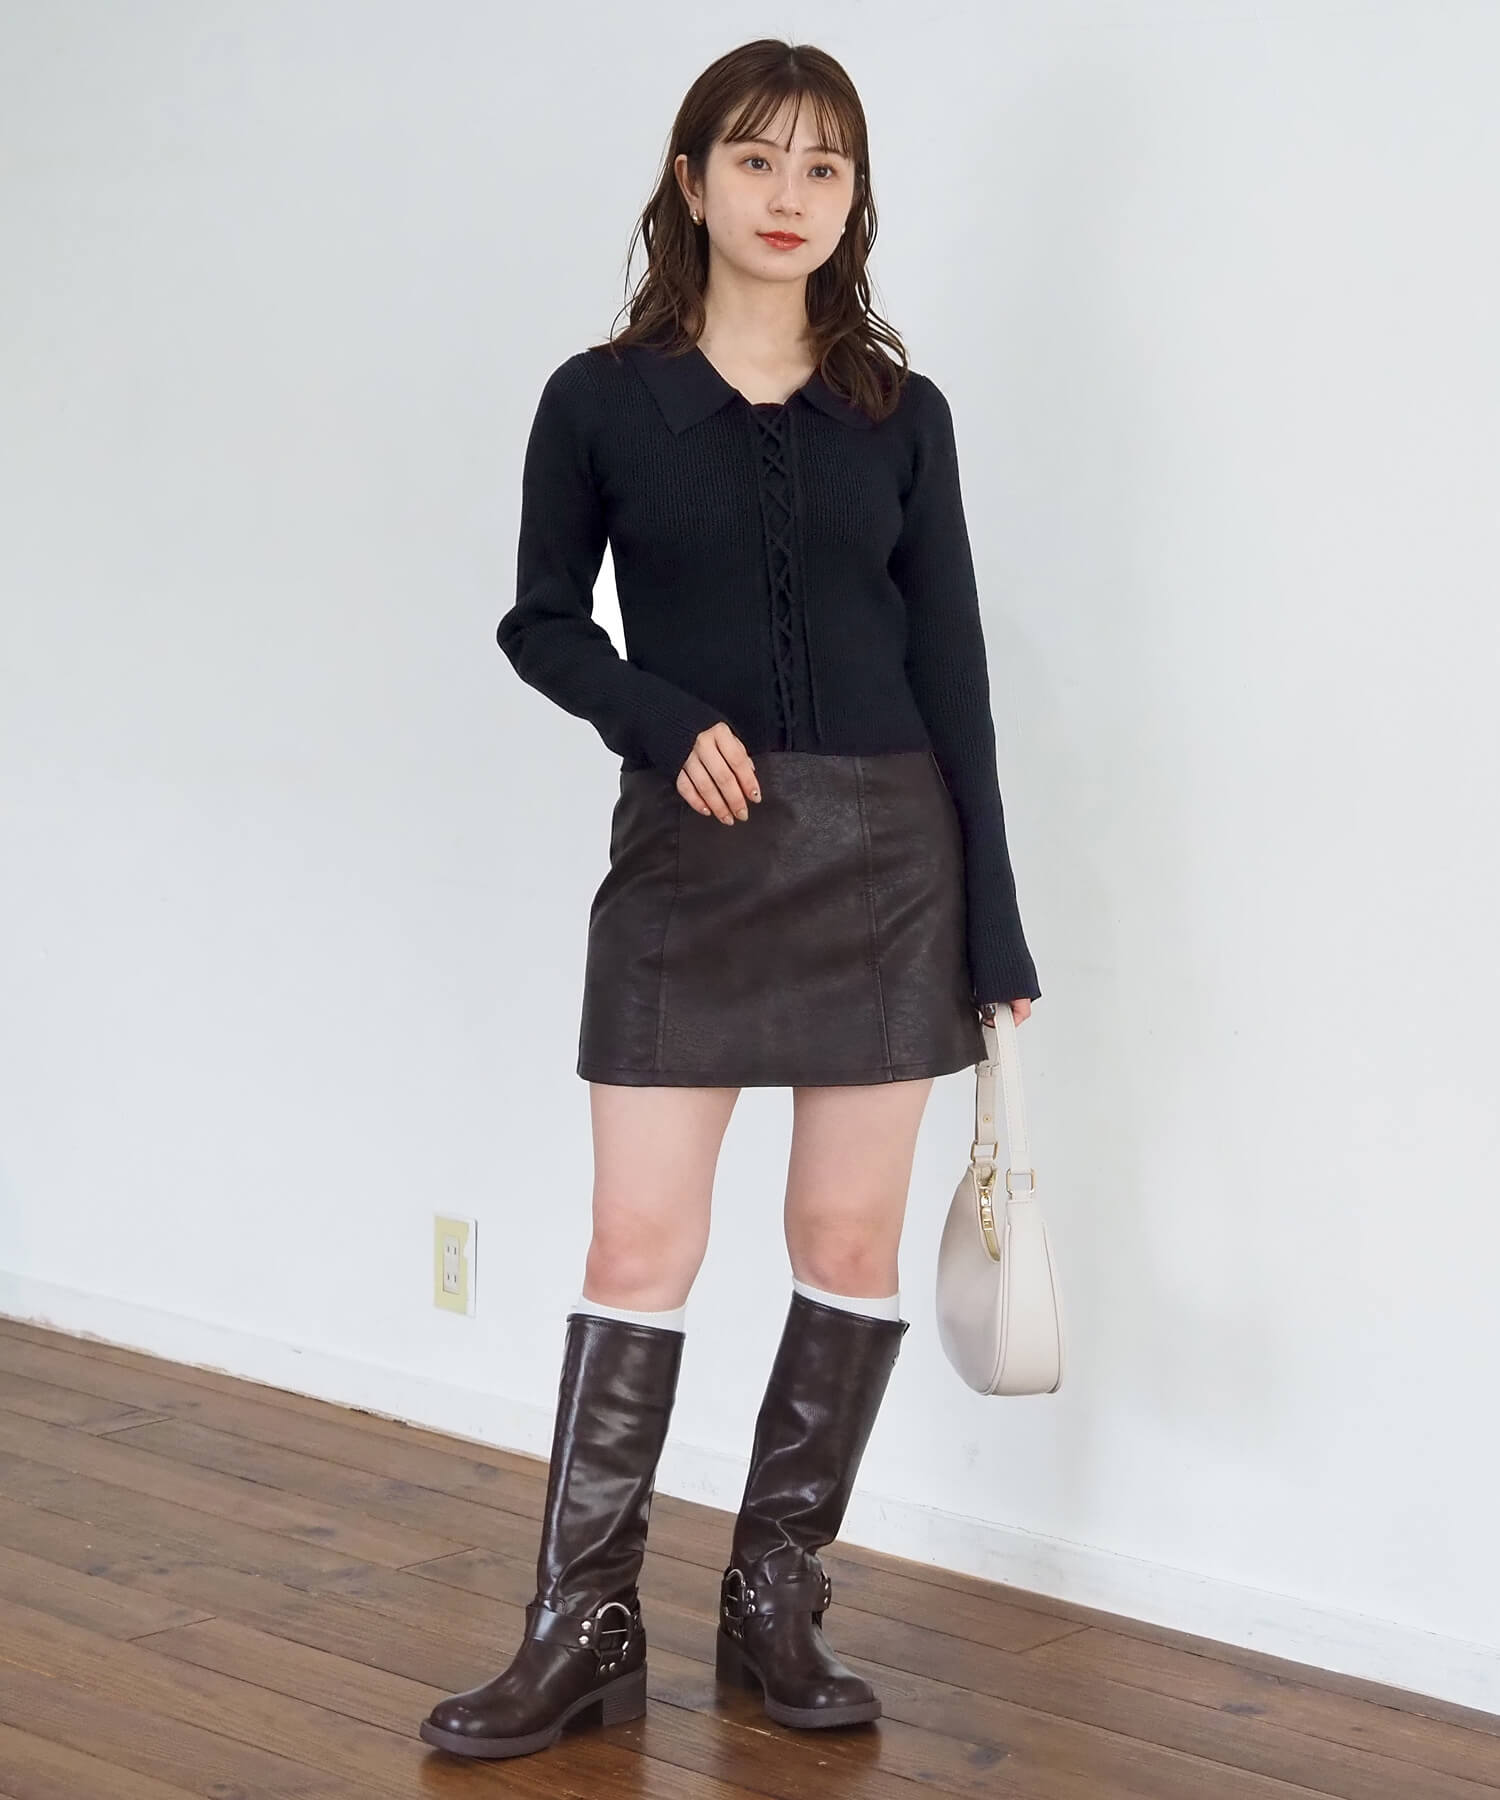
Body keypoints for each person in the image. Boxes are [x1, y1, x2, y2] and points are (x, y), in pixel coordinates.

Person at [419, 36, 1040, 1761]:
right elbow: (542, 621)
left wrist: (996, 928)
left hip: (890, 864)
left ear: (855, 201)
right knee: (639, 1244)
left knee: (843, 1245)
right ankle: (581, 1622)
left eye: (824, 167)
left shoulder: (902, 417)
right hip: (689, 858)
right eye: (757, 160)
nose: (789, 196)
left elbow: (956, 677)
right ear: (691, 183)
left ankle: (777, 1598)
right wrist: (659, 715)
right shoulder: (598, 401)